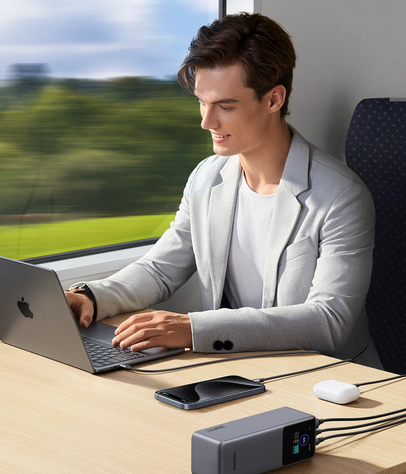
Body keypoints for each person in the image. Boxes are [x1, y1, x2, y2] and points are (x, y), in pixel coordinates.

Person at [66, 13, 382, 368]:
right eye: (202, 101)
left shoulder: (341, 196)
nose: (206, 121)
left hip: (329, 378)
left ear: (274, 99)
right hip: (242, 369)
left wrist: (192, 329)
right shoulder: (207, 177)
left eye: (226, 106)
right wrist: (91, 295)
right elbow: (161, 269)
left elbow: (328, 321)